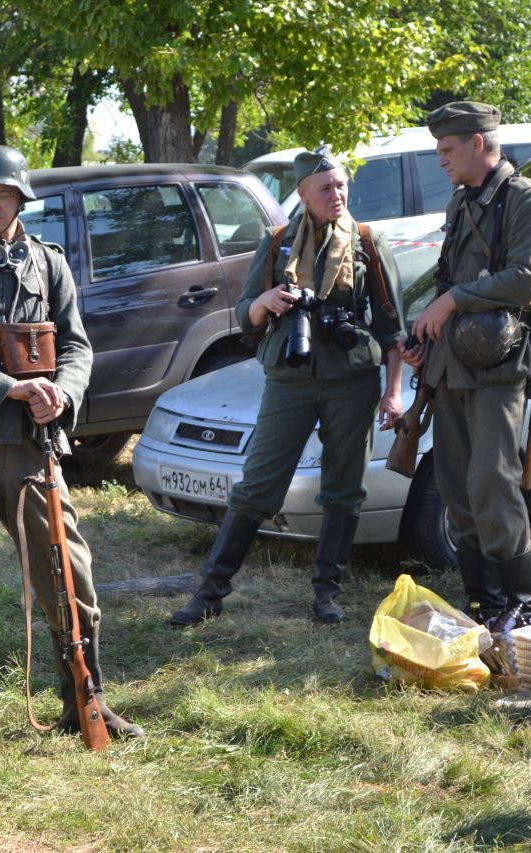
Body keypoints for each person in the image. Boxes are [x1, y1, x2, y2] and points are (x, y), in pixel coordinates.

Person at [0, 144, 142, 754]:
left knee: (72, 575)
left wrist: (61, 395)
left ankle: (84, 700)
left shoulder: (47, 261)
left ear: (20, 200)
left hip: (35, 444)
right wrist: (9, 388)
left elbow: (77, 345)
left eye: (1, 195)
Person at [170, 147, 407, 628]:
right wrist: (267, 302)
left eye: (341, 185)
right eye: (326, 188)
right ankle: (211, 593)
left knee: (344, 489)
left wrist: (393, 391)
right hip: (290, 378)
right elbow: (244, 315)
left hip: (352, 380)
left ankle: (327, 593)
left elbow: (392, 327)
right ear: (302, 194)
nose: (337, 194)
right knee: (257, 485)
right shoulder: (278, 241)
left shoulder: (367, 242)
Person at [399, 101, 531, 625]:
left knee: (492, 482)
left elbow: (526, 278)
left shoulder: (523, 197)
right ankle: (483, 603)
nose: (440, 160)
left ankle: (521, 607)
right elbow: (447, 281)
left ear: (479, 143)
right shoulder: (458, 203)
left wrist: (455, 301)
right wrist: (425, 329)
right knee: (457, 488)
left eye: (447, 149)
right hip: (449, 365)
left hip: (497, 368)